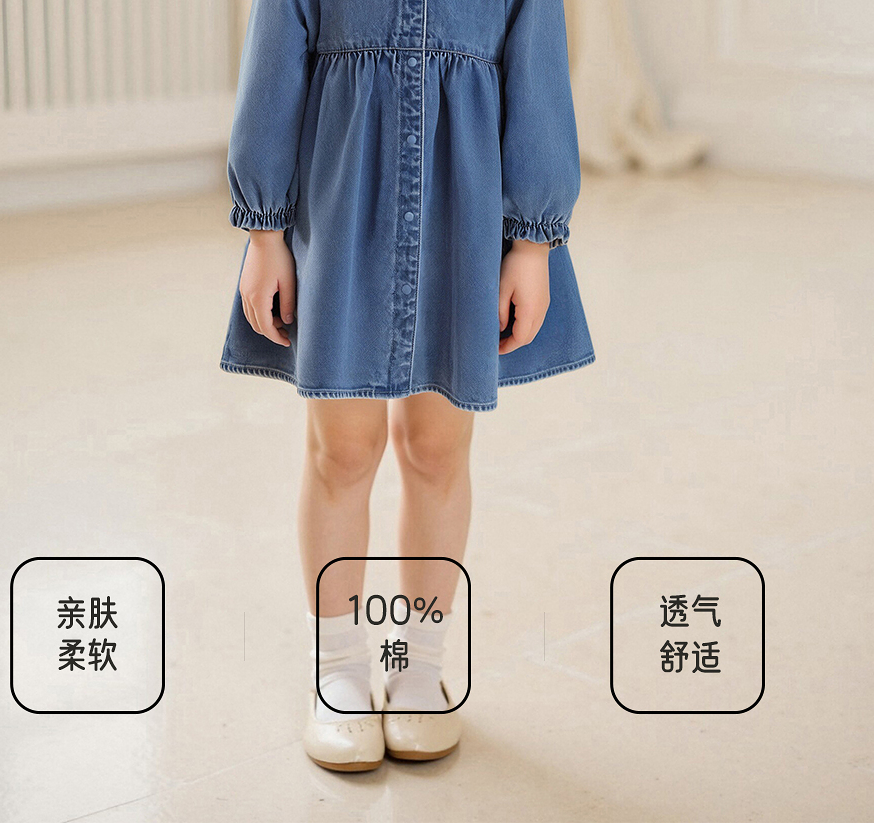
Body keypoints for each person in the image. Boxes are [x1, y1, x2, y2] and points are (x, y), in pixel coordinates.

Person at [220, 0, 594, 772]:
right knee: (341, 452)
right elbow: (273, 62)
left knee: (435, 448)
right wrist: (264, 230)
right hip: (340, 201)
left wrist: (533, 243)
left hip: (467, 210)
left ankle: (421, 663)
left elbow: (539, 74)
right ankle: (339, 669)